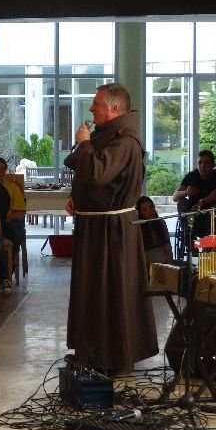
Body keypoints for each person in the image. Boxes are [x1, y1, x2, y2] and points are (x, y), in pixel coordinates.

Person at [63, 83, 156, 374]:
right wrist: (77, 197)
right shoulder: (109, 135)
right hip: (96, 225)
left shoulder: (125, 141)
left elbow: (98, 173)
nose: (92, 109)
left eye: (97, 104)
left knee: (110, 292)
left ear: (114, 109)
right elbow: (91, 174)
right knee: (93, 292)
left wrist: (84, 143)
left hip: (112, 230)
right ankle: (92, 351)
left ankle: (114, 355)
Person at [0, 156, 26, 293]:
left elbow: (20, 212)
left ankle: (6, 269)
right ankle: (4, 273)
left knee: (18, 230)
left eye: (2, 169)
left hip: (7, 223)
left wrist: (4, 219)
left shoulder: (12, 188)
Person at [172, 149, 216, 241]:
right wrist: (186, 192)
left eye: (206, 163)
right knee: (181, 202)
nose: (203, 166)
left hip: (215, 216)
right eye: (200, 163)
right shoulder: (192, 176)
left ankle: (209, 242)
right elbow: (175, 197)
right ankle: (190, 241)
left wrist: (202, 203)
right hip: (194, 217)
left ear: (213, 164)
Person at [136, 196, 173, 272]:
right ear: (140, 213)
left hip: (164, 262)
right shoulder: (137, 227)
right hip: (147, 266)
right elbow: (140, 254)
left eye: (151, 207)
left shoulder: (161, 222)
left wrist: (170, 267)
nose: (149, 211)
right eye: (145, 210)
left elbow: (168, 248)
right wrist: (154, 268)